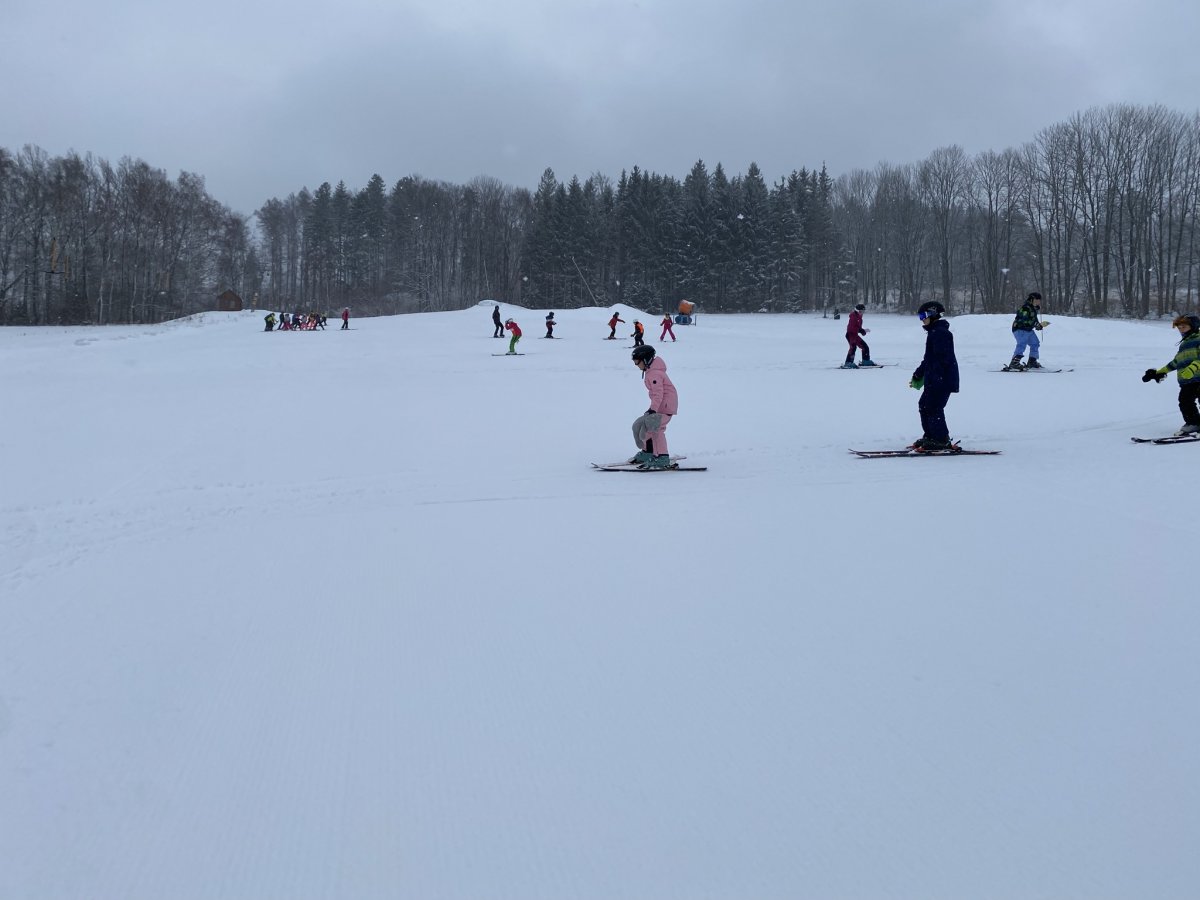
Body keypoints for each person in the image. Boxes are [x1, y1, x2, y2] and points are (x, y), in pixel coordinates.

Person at [909, 301, 960, 452]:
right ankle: (931, 436)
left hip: (942, 380)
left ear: (933, 314)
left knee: (933, 407)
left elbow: (943, 359)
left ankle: (941, 440)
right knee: (924, 405)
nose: (921, 320)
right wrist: (919, 373)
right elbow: (929, 359)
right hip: (934, 379)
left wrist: (937, 378)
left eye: (923, 316)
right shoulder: (934, 332)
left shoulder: (941, 333)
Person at [1142, 314, 1200, 435]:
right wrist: (1159, 373)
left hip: (1198, 378)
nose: (1181, 330)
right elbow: (1176, 362)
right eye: (1179, 327)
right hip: (1187, 381)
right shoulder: (1184, 344)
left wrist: (1192, 368)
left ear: (1193, 327)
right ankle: (1194, 423)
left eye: (1184, 327)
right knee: (1184, 401)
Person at [629, 345, 679, 468]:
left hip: (666, 407)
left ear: (646, 360)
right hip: (662, 406)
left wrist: (653, 410)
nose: (636, 365)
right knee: (645, 425)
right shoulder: (651, 372)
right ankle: (648, 452)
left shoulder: (654, 374)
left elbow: (658, 394)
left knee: (656, 428)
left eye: (637, 362)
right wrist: (652, 409)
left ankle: (662, 457)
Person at [1006, 292, 1050, 370]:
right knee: (1022, 344)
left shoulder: (1033, 309)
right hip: (1020, 329)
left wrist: (1039, 325)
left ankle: (1032, 361)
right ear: (1032, 299)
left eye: (1039, 300)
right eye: (1037, 300)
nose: (1039, 302)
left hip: (1028, 330)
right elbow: (1023, 320)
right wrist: (1035, 324)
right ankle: (1014, 363)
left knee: (1035, 343)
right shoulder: (1025, 308)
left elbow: (1034, 320)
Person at [842, 303, 877, 367]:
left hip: (855, 335)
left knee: (865, 347)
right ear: (857, 311)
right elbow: (851, 328)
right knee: (853, 347)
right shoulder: (853, 317)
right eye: (861, 311)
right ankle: (848, 363)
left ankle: (865, 361)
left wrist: (863, 331)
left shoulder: (859, 317)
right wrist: (862, 331)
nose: (862, 313)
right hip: (850, 335)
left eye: (863, 311)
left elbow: (857, 328)